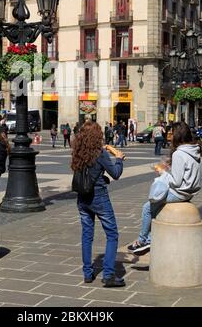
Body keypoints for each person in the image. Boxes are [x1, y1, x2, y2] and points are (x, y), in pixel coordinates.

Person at [128, 122, 202, 256]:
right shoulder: (195, 150)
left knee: (147, 207)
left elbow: (176, 182)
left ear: (177, 135)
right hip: (190, 192)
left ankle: (142, 240)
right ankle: (149, 239)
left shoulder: (179, 153)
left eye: (172, 133)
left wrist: (163, 173)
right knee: (157, 206)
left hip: (179, 193)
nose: (170, 135)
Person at [72, 121, 126, 288]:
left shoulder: (78, 152)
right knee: (112, 234)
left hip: (82, 198)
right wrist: (119, 159)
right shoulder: (99, 154)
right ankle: (108, 275)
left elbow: (87, 172)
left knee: (87, 235)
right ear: (97, 137)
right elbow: (116, 174)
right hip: (99, 197)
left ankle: (88, 273)